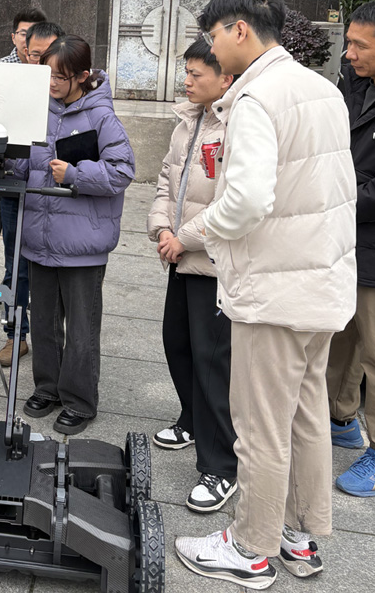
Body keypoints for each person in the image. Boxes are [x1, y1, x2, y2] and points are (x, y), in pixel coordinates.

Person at [174, 0, 357, 589]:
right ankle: (298, 537)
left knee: (260, 427)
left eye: (213, 36)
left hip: (275, 287)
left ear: (239, 30)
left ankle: (250, 547)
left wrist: (201, 230)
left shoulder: (255, 97)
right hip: (322, 280)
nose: (211, 48)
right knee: (305, 416)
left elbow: (247, 200)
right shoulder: (322, 88)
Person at [15, 34, 135, 435]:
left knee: (82, 328)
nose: (51, 83)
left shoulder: (101, 117)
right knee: (43, 321)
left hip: (83, 242)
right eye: (47, 74)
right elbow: (26, 163)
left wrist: (76, 174)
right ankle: (47, 388)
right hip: (40, 236)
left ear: (82, 76)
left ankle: (80, 401)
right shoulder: (37, 110)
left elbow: (122, 171)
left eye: (60, 77)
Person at [147, 38, 236, 513]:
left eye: (196, 74)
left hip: (212, 263)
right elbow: (166, 179)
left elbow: (233, 203)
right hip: (180, 255)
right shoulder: (188, 121)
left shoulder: (236, 124)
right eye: (186, 72)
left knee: (212, 361)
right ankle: (191, 418)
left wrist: (185, 238)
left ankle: (222, 467)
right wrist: (162, 228)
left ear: (225, 78)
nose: (186, 81)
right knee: (176, 343)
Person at [326, 0, 375, 498]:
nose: (348, 54)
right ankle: (339, 418)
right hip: (346, 236)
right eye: (348, 43)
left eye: (360, 45)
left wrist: (338, 198)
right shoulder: (354, 82)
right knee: (339, 335)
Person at [0, 19, 65, 368]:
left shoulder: (69, 89)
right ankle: (15, 334)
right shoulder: (10, 83)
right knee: (16, 264)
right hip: (15, 186)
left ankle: (55, 338)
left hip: (54, 190)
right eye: (35, 54)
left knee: (56, 268)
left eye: (49, 55)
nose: (42, 62)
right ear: (23, 50)